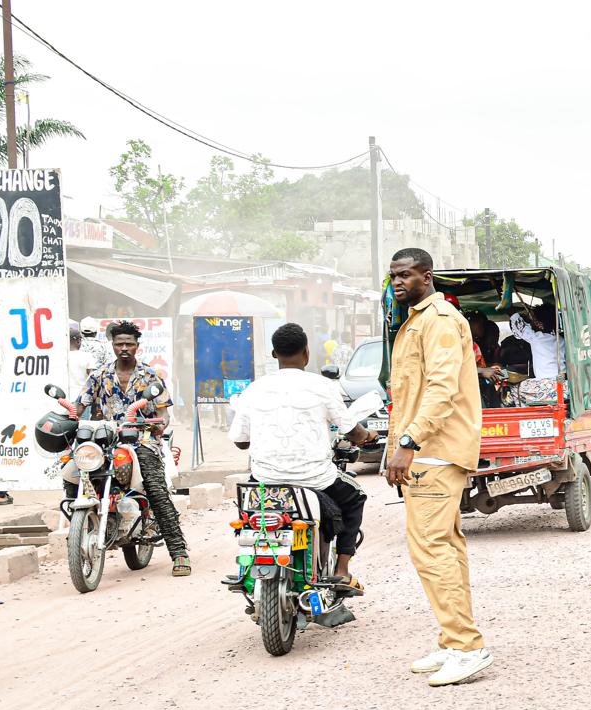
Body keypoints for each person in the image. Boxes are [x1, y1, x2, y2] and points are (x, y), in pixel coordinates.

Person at [383, 247, 491, 686]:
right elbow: (411, 391)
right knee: (445, 545)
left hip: (434, 451)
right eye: (393, 276)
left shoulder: (439, 319)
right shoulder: (417, 320)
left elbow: (442, 388)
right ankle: (453, 641)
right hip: (429, 451)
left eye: (406, 275)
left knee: (431, 548)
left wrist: (408, 443)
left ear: (427, 276)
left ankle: (466, 646)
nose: (398, 282)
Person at [227, 322, 378, 592]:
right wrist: (367, 436)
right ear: (307, 353)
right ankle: (342, 571)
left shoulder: (254, 390)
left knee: (250, 513)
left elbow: (240, 441)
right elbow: (352, 431)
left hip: (265, 481)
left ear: (274, 354)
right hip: (316, 480)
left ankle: (248, 567)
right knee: (355, 497)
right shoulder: (323, 386)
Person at [85, 321, 191, 575]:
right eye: (119, 344)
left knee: (156, 490)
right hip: (106, 442)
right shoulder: (99, 375)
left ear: (137, 346)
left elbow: (163, 414)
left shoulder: (150, 376)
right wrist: (66, 418)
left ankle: (179, 554)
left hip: (142, 440)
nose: (124, 348)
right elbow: (80, 406)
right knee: (76, 473)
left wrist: (158, 425)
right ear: (112, 345)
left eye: (129, 344)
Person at [501, 303, 563, 387]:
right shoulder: (562, 340)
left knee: (514, 390)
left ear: (539, 324)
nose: (530, 323)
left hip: (545, 385)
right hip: (561, 382)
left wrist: (507, 304)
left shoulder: (536, 338)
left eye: (532, 320)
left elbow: (518, 322)